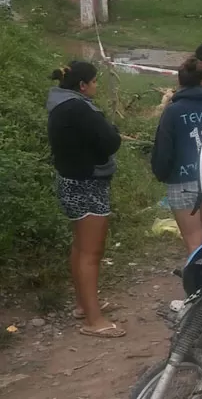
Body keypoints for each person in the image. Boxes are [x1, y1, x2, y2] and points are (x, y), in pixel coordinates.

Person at [46, 61, 125, 338]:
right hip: (87, 184)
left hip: (71, 181)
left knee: (80, 248)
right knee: (91, 253)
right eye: (94, 81)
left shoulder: (59, 104)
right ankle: (94, 320)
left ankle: (83, 305)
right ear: (82, 85)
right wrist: (113, 132)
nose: (96, 85)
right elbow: (110, 140)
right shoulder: (79, 108)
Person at [151, 58, 202, 253]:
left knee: (194, 241)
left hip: (182, 181)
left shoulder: (172, 111)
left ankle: (198, 280)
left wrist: (162, 174)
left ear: (180, 82)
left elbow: (164, 149)